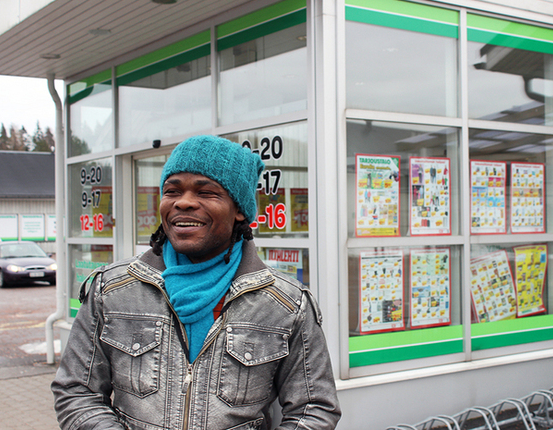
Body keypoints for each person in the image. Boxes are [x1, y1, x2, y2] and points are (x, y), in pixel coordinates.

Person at [52, 135, 341, 430]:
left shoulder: (286, 303)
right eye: (172, 190)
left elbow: (314, 408)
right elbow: (77, 392)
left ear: (239, 209)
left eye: (206, 192)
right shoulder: (111, 290)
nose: (184, 202)